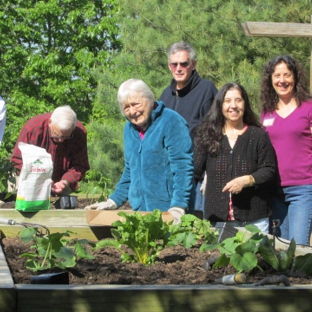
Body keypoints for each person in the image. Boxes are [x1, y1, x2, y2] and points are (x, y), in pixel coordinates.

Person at [85, 79, 195, 223]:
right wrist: (113, 201)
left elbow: (182, 167)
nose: (132, 111)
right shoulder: (129, 129)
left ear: (149, 99)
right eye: (126, 107)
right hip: (140, 210)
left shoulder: (171, 121)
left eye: (136, 104)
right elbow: (130, 171)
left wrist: (179, 206)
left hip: (168, 210)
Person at [193, 83, 277, 232]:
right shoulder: (208, 136)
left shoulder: (257, 135)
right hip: (217, 220)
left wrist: (247, 180)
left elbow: (269, 169)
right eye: (228, 101)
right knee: (219, 255)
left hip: (254, 220)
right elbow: (194, 172)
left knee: (254, 256)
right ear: (220, 105)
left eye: (238, 100)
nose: (233, 105)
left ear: (245, 103)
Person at [159, 41, 218, 217]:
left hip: (196, 176)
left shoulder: (206, 90)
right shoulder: (165, 96)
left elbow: (215, 131)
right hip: (170, 177)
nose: (178, 68)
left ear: (193, 64)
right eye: (174, 64)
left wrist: (210, 171)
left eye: (183, 63)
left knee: (195, 225)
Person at [260, 55, 312, 245]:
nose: (282, 80)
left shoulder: (309, 107)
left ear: (296, 77)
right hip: (274, 190)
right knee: (279, 250)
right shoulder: (267, 111)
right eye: (277, 75)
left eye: (287, 75)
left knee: (298, 248)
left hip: (302, 189)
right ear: (270, 79)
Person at [10, 105, 90, 195]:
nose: (61, 140)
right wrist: (42, 178)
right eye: (57, 135)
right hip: (31, 179)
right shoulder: (33, 128)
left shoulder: (79, 133)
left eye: (66, 137)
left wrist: (65, 181)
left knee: (64, 205)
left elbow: (80, 166)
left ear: (73, 128)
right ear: (49, 123)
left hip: (60, 183)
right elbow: (17, 159)